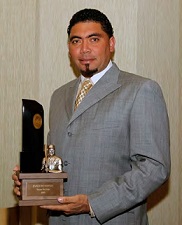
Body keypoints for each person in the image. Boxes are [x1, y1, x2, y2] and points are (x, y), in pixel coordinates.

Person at [13, 8, 170, 225]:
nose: (84, 49)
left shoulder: (140, 90)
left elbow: (154, 168)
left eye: (94, 39)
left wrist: (93, 203)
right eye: (76, 41)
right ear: (69, 48)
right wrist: (32, 180)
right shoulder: (59, 96)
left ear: (111, 44)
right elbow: (56, 160)